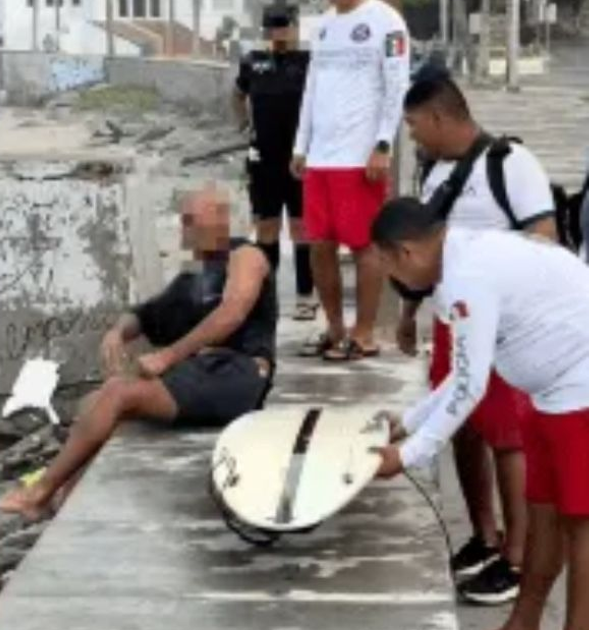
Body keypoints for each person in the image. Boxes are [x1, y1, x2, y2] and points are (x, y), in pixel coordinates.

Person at [371, 197, 589, 630]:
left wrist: (408, 455)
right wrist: (409, 422)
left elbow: (471, 386)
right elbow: (469, 368)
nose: (391, 278)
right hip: (548, 395)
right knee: (541, 515)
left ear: (406, 252)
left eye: (387, 266)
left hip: (579, 392)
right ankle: (522, 621)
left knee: (581, 526)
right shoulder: (459, 257)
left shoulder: (467, 274)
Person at [0, 188, 278, 520]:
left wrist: (168, 356)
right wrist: (117, 332)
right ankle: (65, 502)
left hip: (238, 373)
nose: (191, 229)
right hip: (201, 372)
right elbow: (146, 315)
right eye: (187, 222)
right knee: (93, 403)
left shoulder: (245, 256)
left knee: (119, 392)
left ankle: (38, 493)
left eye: (200, 220)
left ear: (222, 220)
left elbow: (232, 312)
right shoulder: (193, 277)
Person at [395, 70, 558, 604]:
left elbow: (543, 241)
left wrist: (501, 296)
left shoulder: (511, 165)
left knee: (508, 440)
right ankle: (484, 537)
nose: (413, 136)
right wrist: (409, 311)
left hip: (501, 324)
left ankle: (517, 556)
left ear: (440, 117)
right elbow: (422, 248)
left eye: (416, 125)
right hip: (451, 317)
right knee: (463, 427)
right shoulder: (434, 172)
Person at [291, 0, 410, 361]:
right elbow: (312, 88)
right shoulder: (324, 25)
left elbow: (397, 84)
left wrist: (383, 144)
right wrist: (301, 145)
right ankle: (335, 327)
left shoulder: (386, 21)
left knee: (364, 246)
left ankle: (364, 333)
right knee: (319, 244)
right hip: (320, 158)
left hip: (360, 158)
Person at [233, 3, 317, 321]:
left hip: (299, 157)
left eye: (284, 27)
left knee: (302, 228)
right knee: (266, 227)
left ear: (295, 27)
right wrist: (243, 125)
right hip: (263, 157)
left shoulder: (309, 63)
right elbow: (237, 94)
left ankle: (306, 296)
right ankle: (266, 299)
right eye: (273, 28)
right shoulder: (253, 62)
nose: (279, 34)